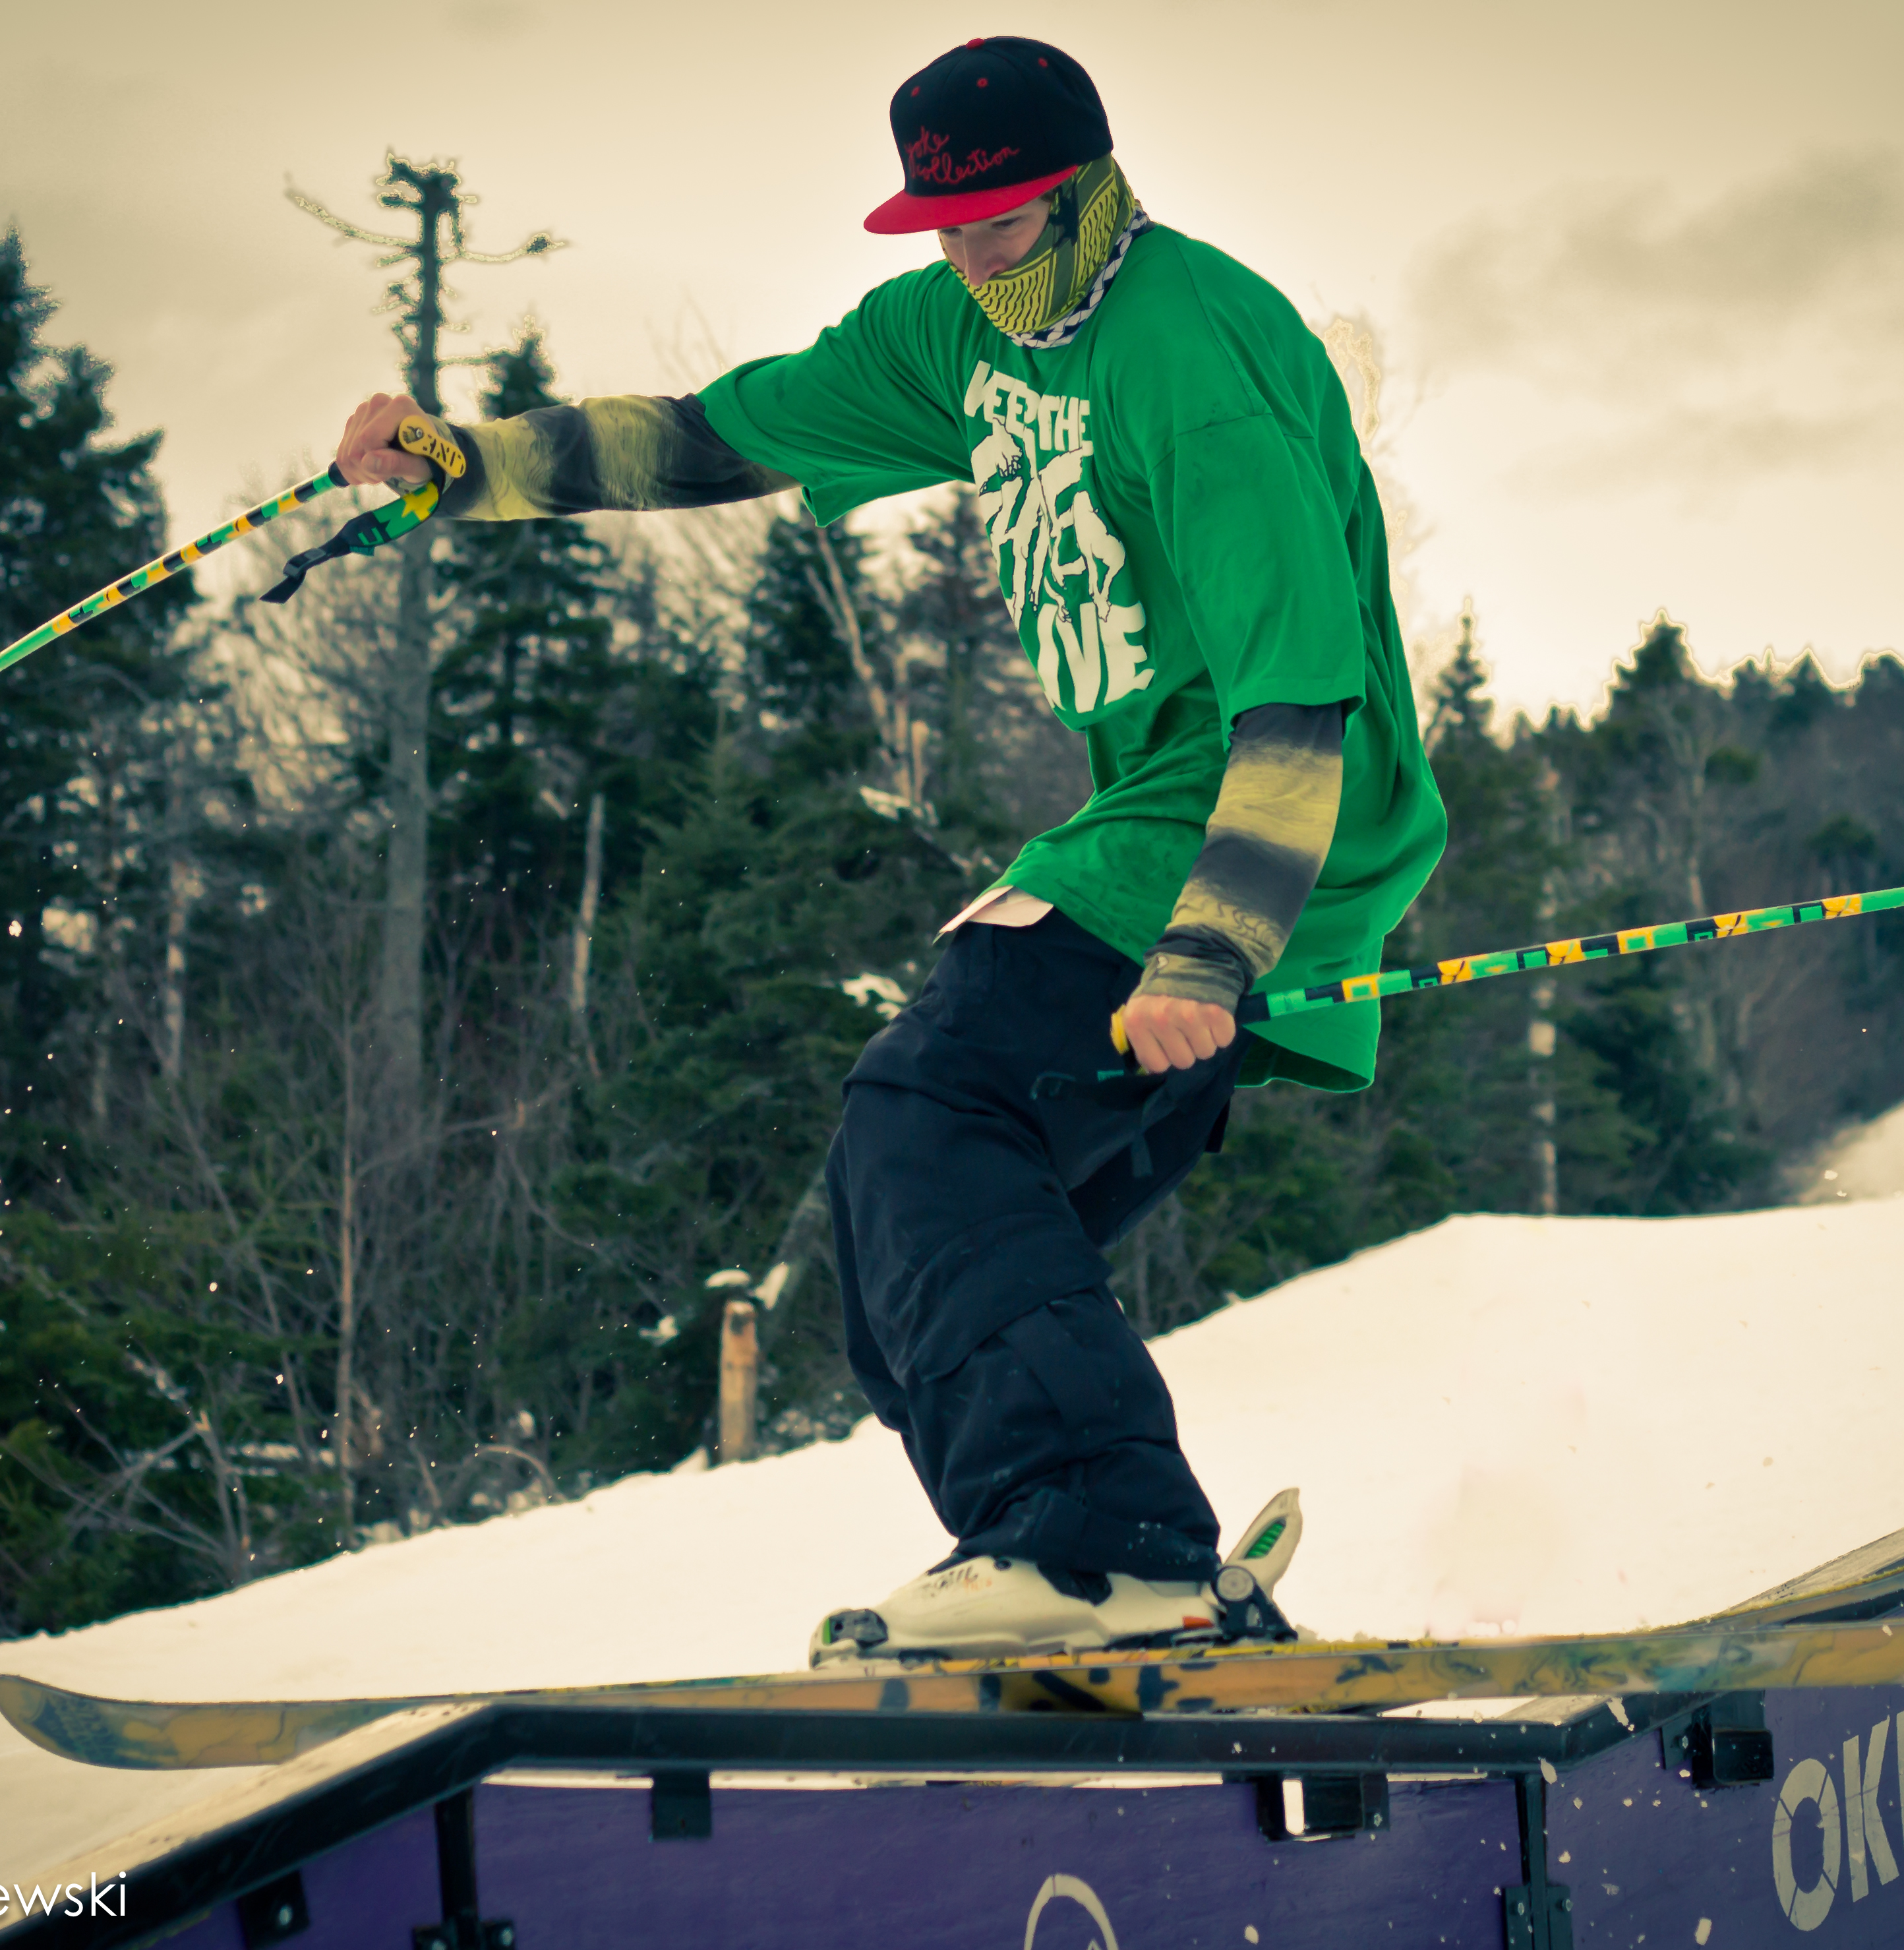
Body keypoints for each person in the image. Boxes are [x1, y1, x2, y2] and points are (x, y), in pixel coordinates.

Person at [334, 35, 1446, 1659]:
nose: (975, 255)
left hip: (1249, 821)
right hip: (1153, 829)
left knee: (932, 1106)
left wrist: (1213, 946)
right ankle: (1105, 1571)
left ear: (1088, 188)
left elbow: (1297, 697)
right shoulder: (956, 331)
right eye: (946, 223)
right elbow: (725, 434)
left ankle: (1103, 1544)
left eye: (1005, 220)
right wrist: (476, 465)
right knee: (901, 1209)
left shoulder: (1194, 356)